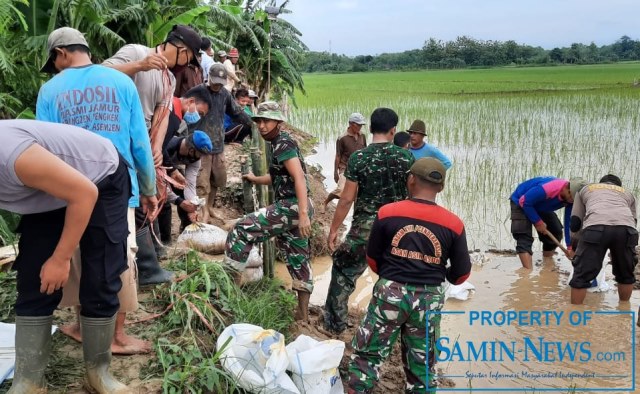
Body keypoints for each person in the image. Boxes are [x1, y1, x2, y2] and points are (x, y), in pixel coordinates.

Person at [35, 26, 158, 355]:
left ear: (61, 54)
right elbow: (139, 143)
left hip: (69, 190)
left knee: (79, 257)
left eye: (55, 61)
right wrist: (148, 187)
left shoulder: (49, 91)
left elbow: (42, 150)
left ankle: (81, 325)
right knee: (117, 258)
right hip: (118, 190)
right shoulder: (122, 83)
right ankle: (115, 336)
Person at [1, 119, 137, 393]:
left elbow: (84, 193)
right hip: (47, 190)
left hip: (100, 178)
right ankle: (29, 381)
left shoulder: (9, 155)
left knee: (100, 275)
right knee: (33, 277)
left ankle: (98, 374)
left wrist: (61, 258)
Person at [347, 158, 471, 393]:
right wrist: (437, 270)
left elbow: (372, 258)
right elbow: (461, 275)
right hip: (428, 300)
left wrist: (393, 275)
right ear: (441, 187)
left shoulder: (388, 213)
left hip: (390, 294)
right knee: (423, 368)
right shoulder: (454, 224)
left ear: (410, 179)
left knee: (366, 358)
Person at [103, 24, 202, 284]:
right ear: (179, 48)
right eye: (188, 59)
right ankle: (146, 267)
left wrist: (155, 149)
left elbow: (160, 114)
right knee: (135, 201)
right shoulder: (136, 52)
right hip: (115, 139)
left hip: (140, 144)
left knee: (149, 198)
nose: (187, 66)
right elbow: (100, 74)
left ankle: (149, 258)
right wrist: (139, 66)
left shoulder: (168, 79)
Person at [324, 108, 415, 334]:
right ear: (393, 130)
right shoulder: (405, 157)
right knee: (394, 278)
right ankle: (389, 326)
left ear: (371, 128)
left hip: (365, 229)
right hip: (398, 229)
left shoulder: (359, 158)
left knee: (344, 270)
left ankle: (335, 326)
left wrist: (334, 229)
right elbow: (414, 196)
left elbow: (346, 199)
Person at [224, 102, 313, 321]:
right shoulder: (278, 144)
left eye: (266, 121)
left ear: (279, 123)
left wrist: (301, 214)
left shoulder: (283, 143)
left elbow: (299, 177)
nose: (262, 126)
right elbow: (278, 177)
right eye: (259, 121)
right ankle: (302, 315)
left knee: (241, 230)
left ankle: (228, 294)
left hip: (292, 207)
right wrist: (255, 179)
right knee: (298, 258)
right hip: (296, 207)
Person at [186, 63, 252, 223]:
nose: (217, 86)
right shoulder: (197, 92)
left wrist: (252, 123)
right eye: (215, 82)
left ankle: (209, 207)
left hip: (218, 145)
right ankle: (202, 214)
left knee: (217, 179)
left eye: (220, 83)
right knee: (201, 183)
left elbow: (236, 112)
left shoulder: (225, 95)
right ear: (209, 77)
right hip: (200, 146)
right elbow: (184, 112)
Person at [569, 174, 637, 305]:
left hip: (595, 229)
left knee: (581, 277)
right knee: (626, 275)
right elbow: (633, 221)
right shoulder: (628, 194)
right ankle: (624, 312)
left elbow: (575, 223)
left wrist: (574, 248)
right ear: (618, 186)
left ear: (601, 183)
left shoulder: (585, 190)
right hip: (626, 230)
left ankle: (575, 317)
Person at [510, 176, 587, 269]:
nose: (571, 200)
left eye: (574, 199)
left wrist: (570, 246)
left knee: (556, 231)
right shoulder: (550, 188)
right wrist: (538, 221)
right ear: (567, 189)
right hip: (521, 201)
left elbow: (569, 223)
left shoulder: (571, 201)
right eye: (571, 197)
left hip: (540, 205)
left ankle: (546, 262)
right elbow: (524, 201)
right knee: (524, 237)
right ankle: (527, 274)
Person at [166, 131, 213, 231]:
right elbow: (159, 186)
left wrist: (192, 207)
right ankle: (163, 240)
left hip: (171, 168)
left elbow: (190, 184)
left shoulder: (195, 159)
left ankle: (187, 229)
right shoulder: (168, 146)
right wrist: (179, 202)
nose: (200, 158)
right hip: (153, 168)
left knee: (184, 193)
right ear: (191, 150)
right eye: (200, 154)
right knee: (164, 203)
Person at [323, 113, 367, 210]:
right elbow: (338, 155)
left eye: (361, 125)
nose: (360, 127)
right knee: (341, 189)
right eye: (358, 125)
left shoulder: (362, 136)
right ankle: (326, 201)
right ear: (351, 124)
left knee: (357, 194)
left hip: (359, 168)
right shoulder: (342, 138)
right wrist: (335, 172)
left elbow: (365, 151)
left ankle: (355, 215)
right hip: (345, 167)